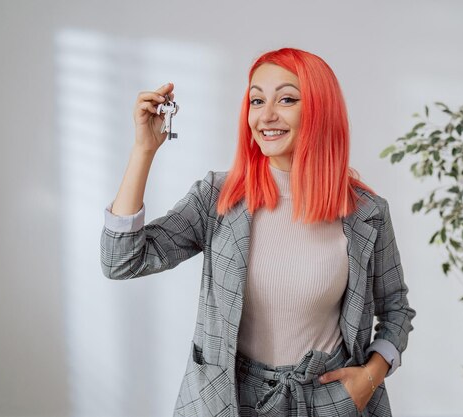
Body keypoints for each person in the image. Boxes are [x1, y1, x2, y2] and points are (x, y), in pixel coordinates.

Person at [100, 47, 416, 417]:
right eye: (256, 100)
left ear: (320, 109)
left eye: (286, 99)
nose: (266, 116)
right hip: (229, 400)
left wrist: (371, 376)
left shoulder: (367, 214)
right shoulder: (218, 198)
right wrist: (143, 150)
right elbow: (120, 261)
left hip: (326, 401)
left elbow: (396, 308)